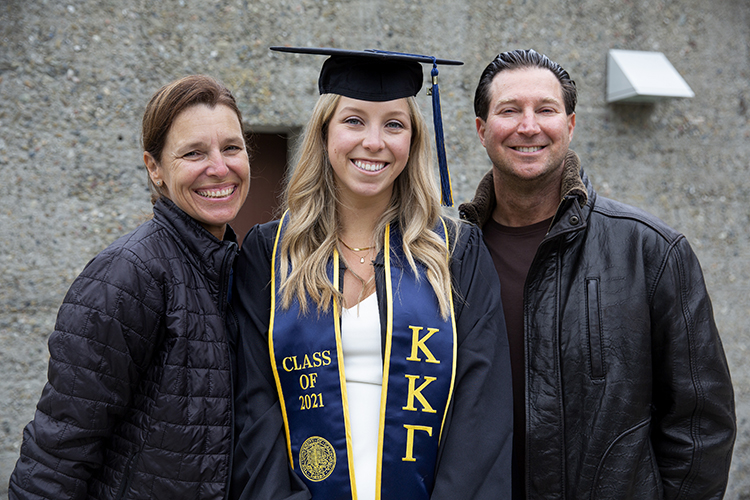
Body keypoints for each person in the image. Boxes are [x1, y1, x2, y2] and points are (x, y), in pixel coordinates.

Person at [228, 47, 512, 500]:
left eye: (394, 124)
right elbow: (255, 408)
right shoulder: (270, 252)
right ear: (323, 133)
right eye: (354, 120)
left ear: (414, 140)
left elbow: (480, 412)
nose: (374, 141)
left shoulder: (454, 252)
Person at [459, 48, 736, 499]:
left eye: (545, 110)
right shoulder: (447, 258)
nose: (528, 126)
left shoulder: (650, 250)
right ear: (481, 130)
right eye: (509, 111)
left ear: (569, 125)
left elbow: (701, 424)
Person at [9, 75, 255, 499]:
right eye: (194, 153)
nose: (220, 167)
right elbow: (56, 455)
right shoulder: (127, 275)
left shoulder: (233, 267)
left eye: (231, 147)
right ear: (154, 169)